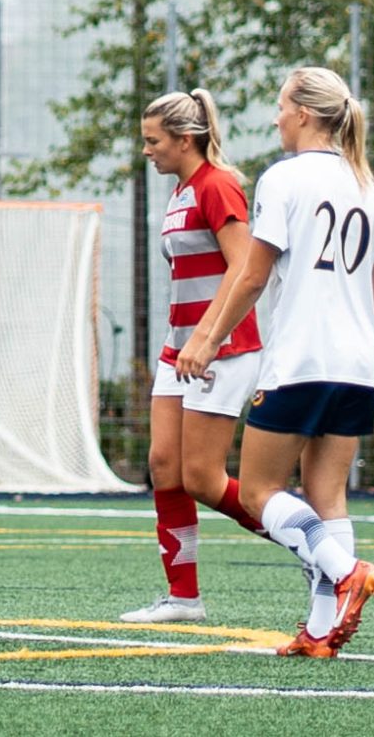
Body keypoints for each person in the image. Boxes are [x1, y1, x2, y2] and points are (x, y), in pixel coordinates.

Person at [177, 66, 374, 657]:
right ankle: (322, 632)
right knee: (328, 496)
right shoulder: (366, 187)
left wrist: (204, 341)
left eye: (281, 106)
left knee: (258, 491)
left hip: (302, 359)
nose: (276, 117)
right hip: (354, 366)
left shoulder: (284, 180)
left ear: (304, 113)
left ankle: (345, 571)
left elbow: (251, 275)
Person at [120, 89, 267, 624]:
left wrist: (206, 339)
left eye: (153, 141)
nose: (146, 151)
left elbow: (244, 267)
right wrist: (186, 342)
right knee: (165, 467)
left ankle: (317, 550)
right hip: (178, 350)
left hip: (220, 350)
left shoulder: (218, 185)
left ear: (185, 139)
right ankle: (184, 598)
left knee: (204, 477)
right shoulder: (180, 190)